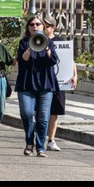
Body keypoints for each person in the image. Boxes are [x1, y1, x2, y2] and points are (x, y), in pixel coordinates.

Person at [16, 15, 59, 157]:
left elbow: (53, 60)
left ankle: (41, 147)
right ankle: (29, 142)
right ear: (28, 28)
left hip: (45, 84)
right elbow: (23, 60)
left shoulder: (49, 43)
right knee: (27, 113)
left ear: (43, 27)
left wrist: (45, 47)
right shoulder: (23, 42)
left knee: (43, 117)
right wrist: (31, 46)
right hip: (27, 83)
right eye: (32, 25)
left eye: (38, 24)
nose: (35, 27)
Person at [44, 16, 76, 152]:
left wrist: (74, 75)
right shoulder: (36, 40)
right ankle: (39, 136)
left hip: (58, 82)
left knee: (54, 112)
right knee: (39, 112)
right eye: (43, 25)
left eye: (48, 26)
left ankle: (51, 140)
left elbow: (69, 59)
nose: (45, 28)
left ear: (53, 27)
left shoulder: (60, 41)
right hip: (42, 81)